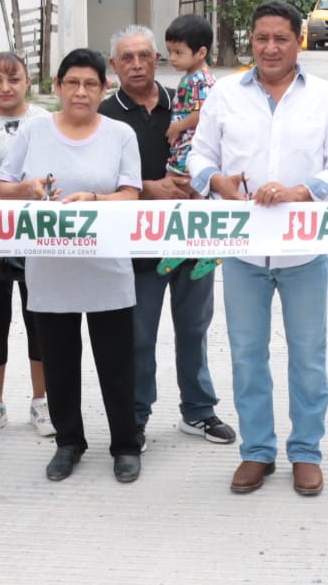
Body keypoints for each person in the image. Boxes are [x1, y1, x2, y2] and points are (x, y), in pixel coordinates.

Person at [190, 1, 328, 496]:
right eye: (261, 38)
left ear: (298, 41)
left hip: (304, 252)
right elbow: (199, 155)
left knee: (308, 356)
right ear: (251, 41)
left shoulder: (325, 98)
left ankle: (305, 451)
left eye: (280, 38)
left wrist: (302, 191)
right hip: (242, 252)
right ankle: (256, 451)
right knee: (246, 355)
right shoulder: (224, 94)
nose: (269, 47)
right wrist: (216, 180)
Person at [0, 48, 145, 483]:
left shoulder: (120, 134)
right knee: (59, 361)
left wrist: (95, 200)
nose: (81, 92)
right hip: (50, 269)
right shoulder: (34, 132)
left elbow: (131, 195)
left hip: (107, 268)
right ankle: (69, 442)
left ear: (104, 89)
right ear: (58, 87)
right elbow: (4, 188)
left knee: (116, 362)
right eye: (72, 83)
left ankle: (124, 444)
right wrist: (27, 187)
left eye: (91, 84)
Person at [100, 25, 236, 454]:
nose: (138, 65)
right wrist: (148, 188)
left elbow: (220, 150)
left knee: (194, 328)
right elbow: (96, 177)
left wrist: (206, 183)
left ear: (159, 58)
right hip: (137, 246)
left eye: (145, 56)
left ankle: (197, 409)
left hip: (191, 237)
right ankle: (136, 417)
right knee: (138, 335)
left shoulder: (187, 101)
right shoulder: (106, 115)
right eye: (128, 58)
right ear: (114, 66)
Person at [0, 51, 52, 440]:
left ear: (27, 81)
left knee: (40, 323)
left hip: (36, 236)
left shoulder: (46, 123)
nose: (5, 88)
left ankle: (42, 402)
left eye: (13, 79)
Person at [158, 14, 219, 281]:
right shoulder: (191, 76)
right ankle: (193, 246)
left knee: (177, 191)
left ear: (201, 52)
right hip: (184, 146)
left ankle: (189, 247)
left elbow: (204, 111)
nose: (172, 58)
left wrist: (177, 127)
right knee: (191, 195)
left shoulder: (200, 80)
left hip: (190, 148)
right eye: (170, 51)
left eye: (178, 52)